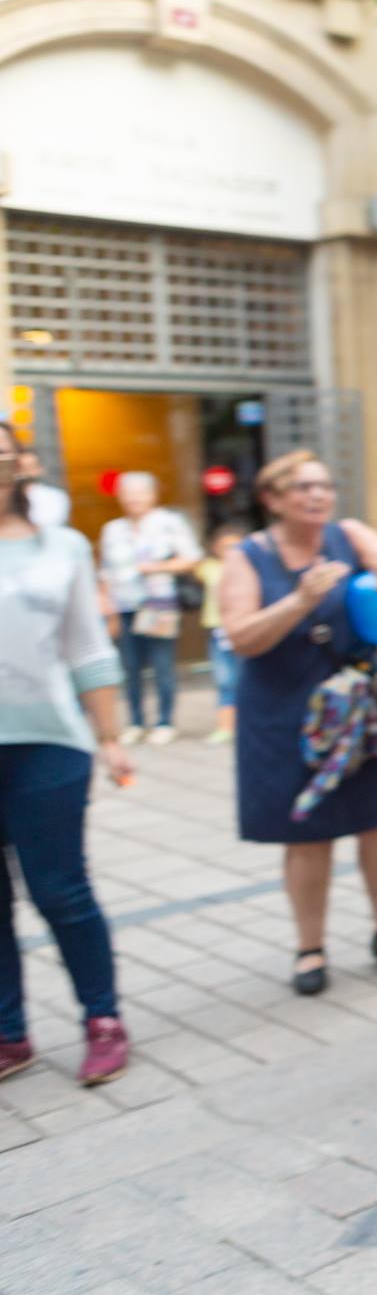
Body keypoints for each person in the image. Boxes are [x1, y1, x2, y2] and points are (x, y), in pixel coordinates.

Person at [217, 450, 377, 995]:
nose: (317, 495)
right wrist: (298, 600)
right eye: (301, 487)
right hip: (284, 712)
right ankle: (310, 946)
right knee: (307, 835)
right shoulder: (248, 557)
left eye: (324, 485)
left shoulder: (349, 535)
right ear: (273, 498)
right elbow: (241, 637)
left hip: (360, 711)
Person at [0, 425, 134, 1088]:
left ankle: (102, 1019)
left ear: (19, 464)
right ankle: (8, 1032)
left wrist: (110, 736)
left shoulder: (64, 549)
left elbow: (88, 648)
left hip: (48, 742)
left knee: (59, 887)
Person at [97, 472, 202, 746]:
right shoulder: (113, 529)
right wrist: (107, 608)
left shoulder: (169, 523)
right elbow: (105, 571)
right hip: (124, 605)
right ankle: (135, 722)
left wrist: (156, 567)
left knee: (161, 664)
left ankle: (165, 722)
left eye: (139, 492)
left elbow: (192, 557)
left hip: (158, 603)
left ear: (153, 494)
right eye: (128, 493)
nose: (134, 498)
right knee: (129, 667)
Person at [198, 523, 249, 746]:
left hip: (244, 630)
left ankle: (247, 724)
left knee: (245, 678)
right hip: (219, 631)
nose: (230, 551)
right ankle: (225, 727)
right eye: (226, 547)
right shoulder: (209, 567)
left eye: (235, 546)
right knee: (225, 680)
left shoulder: (250, 568)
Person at [18, 448, 71, 531]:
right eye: (21, 468)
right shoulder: (7, 497)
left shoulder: (55, 496)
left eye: (30, 467)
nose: (25, 473)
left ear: (40, 469)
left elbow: (50, 526)